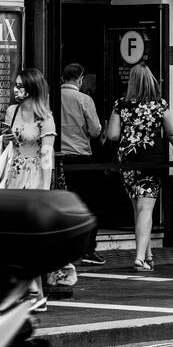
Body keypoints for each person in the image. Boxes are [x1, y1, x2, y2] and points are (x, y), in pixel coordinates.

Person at [106, 63, 173, 272]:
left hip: (128, 159)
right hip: (151, 158)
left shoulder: (120, 104)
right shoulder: (160, 105)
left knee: (137, 208)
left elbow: (112, 135)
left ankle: (147, 254)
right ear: (151, 81)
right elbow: (172, 132)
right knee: (146, 208)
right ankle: (139, 257)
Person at [2, 68, 57, 310]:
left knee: (28, 238)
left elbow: (47, 155)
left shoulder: (44, 117)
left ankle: (36, 293)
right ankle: (28, 292)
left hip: (34, 177)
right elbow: (7, 142)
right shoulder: (11, 112)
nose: (15, 89)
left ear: (32, 89)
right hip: (13, 176)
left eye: (21, 86)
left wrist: (44, 190)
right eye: (15, 85)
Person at [59, 62, 104, 265]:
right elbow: (95, 130)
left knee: (62, 204)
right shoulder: (84, 99)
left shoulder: (52, 97)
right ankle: (87, 249)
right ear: (80, 78)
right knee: (87, 204)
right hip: (80, 156)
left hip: (57, 158)